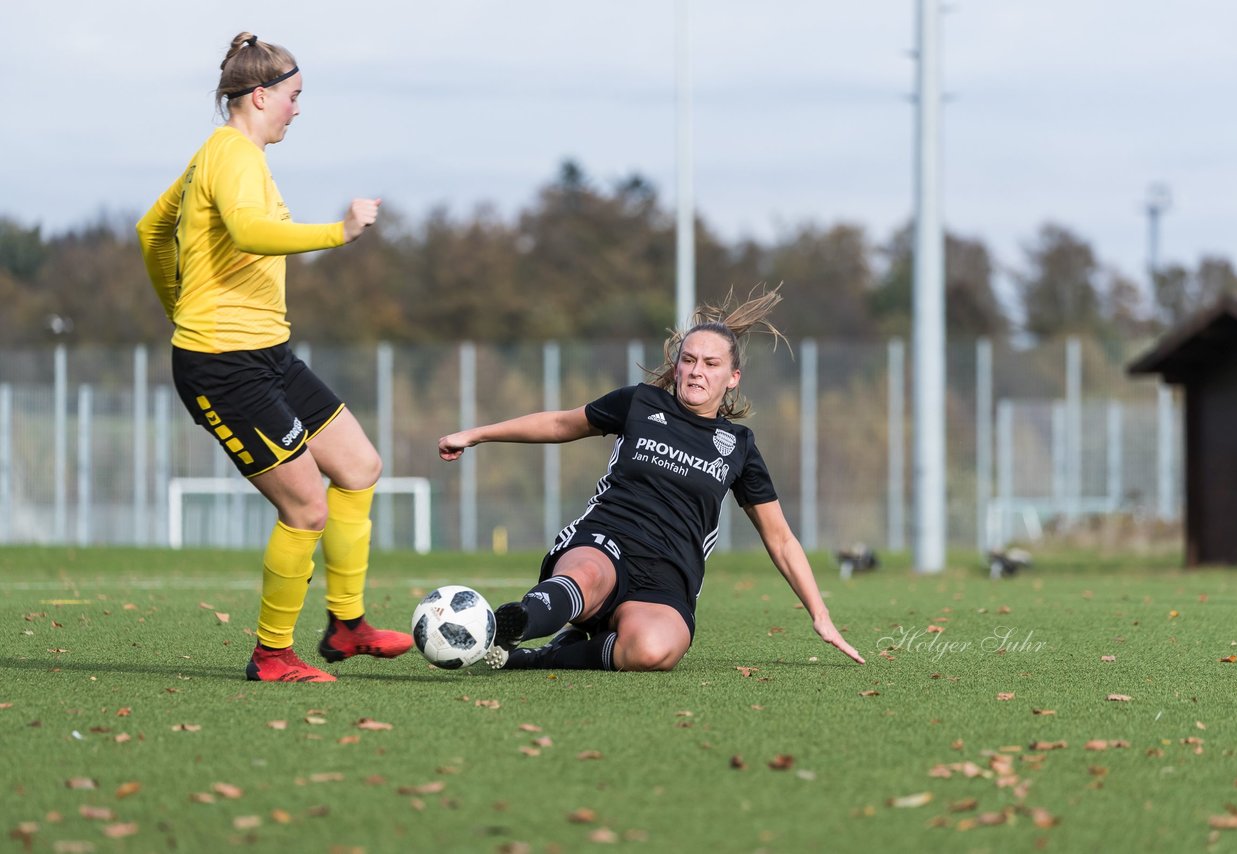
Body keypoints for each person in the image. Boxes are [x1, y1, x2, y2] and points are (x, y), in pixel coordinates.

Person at [137, 32, 413, 683]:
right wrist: (338, 233)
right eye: (293, 97)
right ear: (260, 95)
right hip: (221, 364)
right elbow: (248, 231)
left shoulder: (226, 155)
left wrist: (175, 300)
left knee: (358, 465)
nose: (297, 109)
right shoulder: (232, 155)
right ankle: (271, 655)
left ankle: (346, 626)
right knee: (306, 508)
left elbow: (152, 230)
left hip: (267, 353)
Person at [437, 288, 865, 672]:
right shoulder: (640, 403)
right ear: (677, 367)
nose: (697, 371)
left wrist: (820, 613)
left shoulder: (738, 446)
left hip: (670, 572)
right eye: (689, 360)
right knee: (585, 576)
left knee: (653, 650)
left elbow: (781, 539)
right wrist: (477, 434)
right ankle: (511, 624)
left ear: (732, 378)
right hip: (607, 539)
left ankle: (542, 655)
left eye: (711, 364)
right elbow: (559, 424)